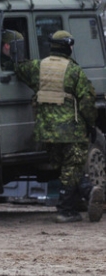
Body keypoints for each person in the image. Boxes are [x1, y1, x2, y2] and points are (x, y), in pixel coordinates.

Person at [14, 30, 104, 223]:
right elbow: (87, 101)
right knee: (72, 166)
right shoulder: (74, 71)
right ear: (67, 47)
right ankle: (68, 208)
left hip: (46, 131)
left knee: (65, 168)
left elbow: (18, 67)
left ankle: (87, 195)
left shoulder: (38, 67)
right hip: (72, 131)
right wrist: (91, 124)